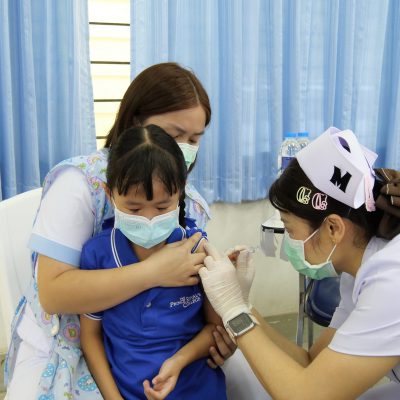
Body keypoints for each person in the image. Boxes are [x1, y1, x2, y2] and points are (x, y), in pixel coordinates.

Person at [3, 62, 230, 399]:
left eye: (194, 139)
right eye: (174, 135)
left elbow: (206, 310)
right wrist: (153, 272)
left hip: (166, 356)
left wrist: (219, 337)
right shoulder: (82, 183)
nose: (183, 148)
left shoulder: (190, 204)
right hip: (67, 338)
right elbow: (53, 293)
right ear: (136, 123)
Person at [200, 127, 400, 400]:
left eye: (290, 229)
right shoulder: (359, 270)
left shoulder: (391, 279)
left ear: (333, 228)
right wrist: (245, 306)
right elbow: (310, 362)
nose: (288, 240)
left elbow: (307, 395)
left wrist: (233, 312)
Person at [79, 125, 226, 400]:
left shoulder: (196, 248)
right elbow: (90, 336)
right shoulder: (99, 255)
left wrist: (179, 361)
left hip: (197, 388)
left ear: (180, 193)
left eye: (161, 207)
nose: (148, 219)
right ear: (111, 195)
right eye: (134, 208)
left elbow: (215, 329)